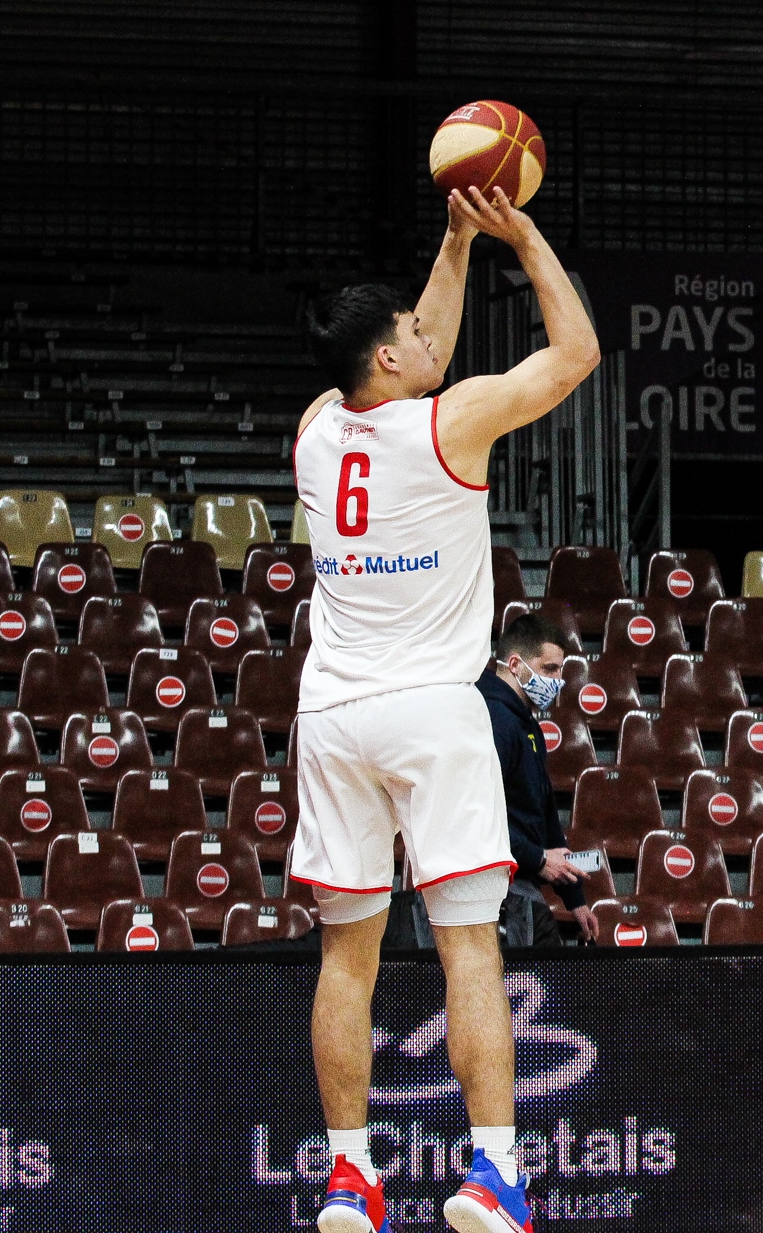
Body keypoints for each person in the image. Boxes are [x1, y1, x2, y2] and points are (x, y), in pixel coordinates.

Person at [290, 183, 599, 1233]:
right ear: (389, 358)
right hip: (431, 711)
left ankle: (348, 1177)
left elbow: (415, 351)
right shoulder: (452, 425)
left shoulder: (317, 429)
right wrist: (521, 236)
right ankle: (495, 1175)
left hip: (332, 713)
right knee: (469, 946)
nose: (433, 338)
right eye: (414, 334)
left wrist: (454, 242)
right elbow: (575, 355)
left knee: (348, 954)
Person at [475, 613, 600, 947]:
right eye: (549, 669)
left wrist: (575, 898)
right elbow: (479, 813)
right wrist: (540, 860)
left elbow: (545, 815)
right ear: (515, 664)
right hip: (496, 890)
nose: (558, 681)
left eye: (560, 670)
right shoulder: (493, 719)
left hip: (520, 886)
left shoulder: (527, 725)